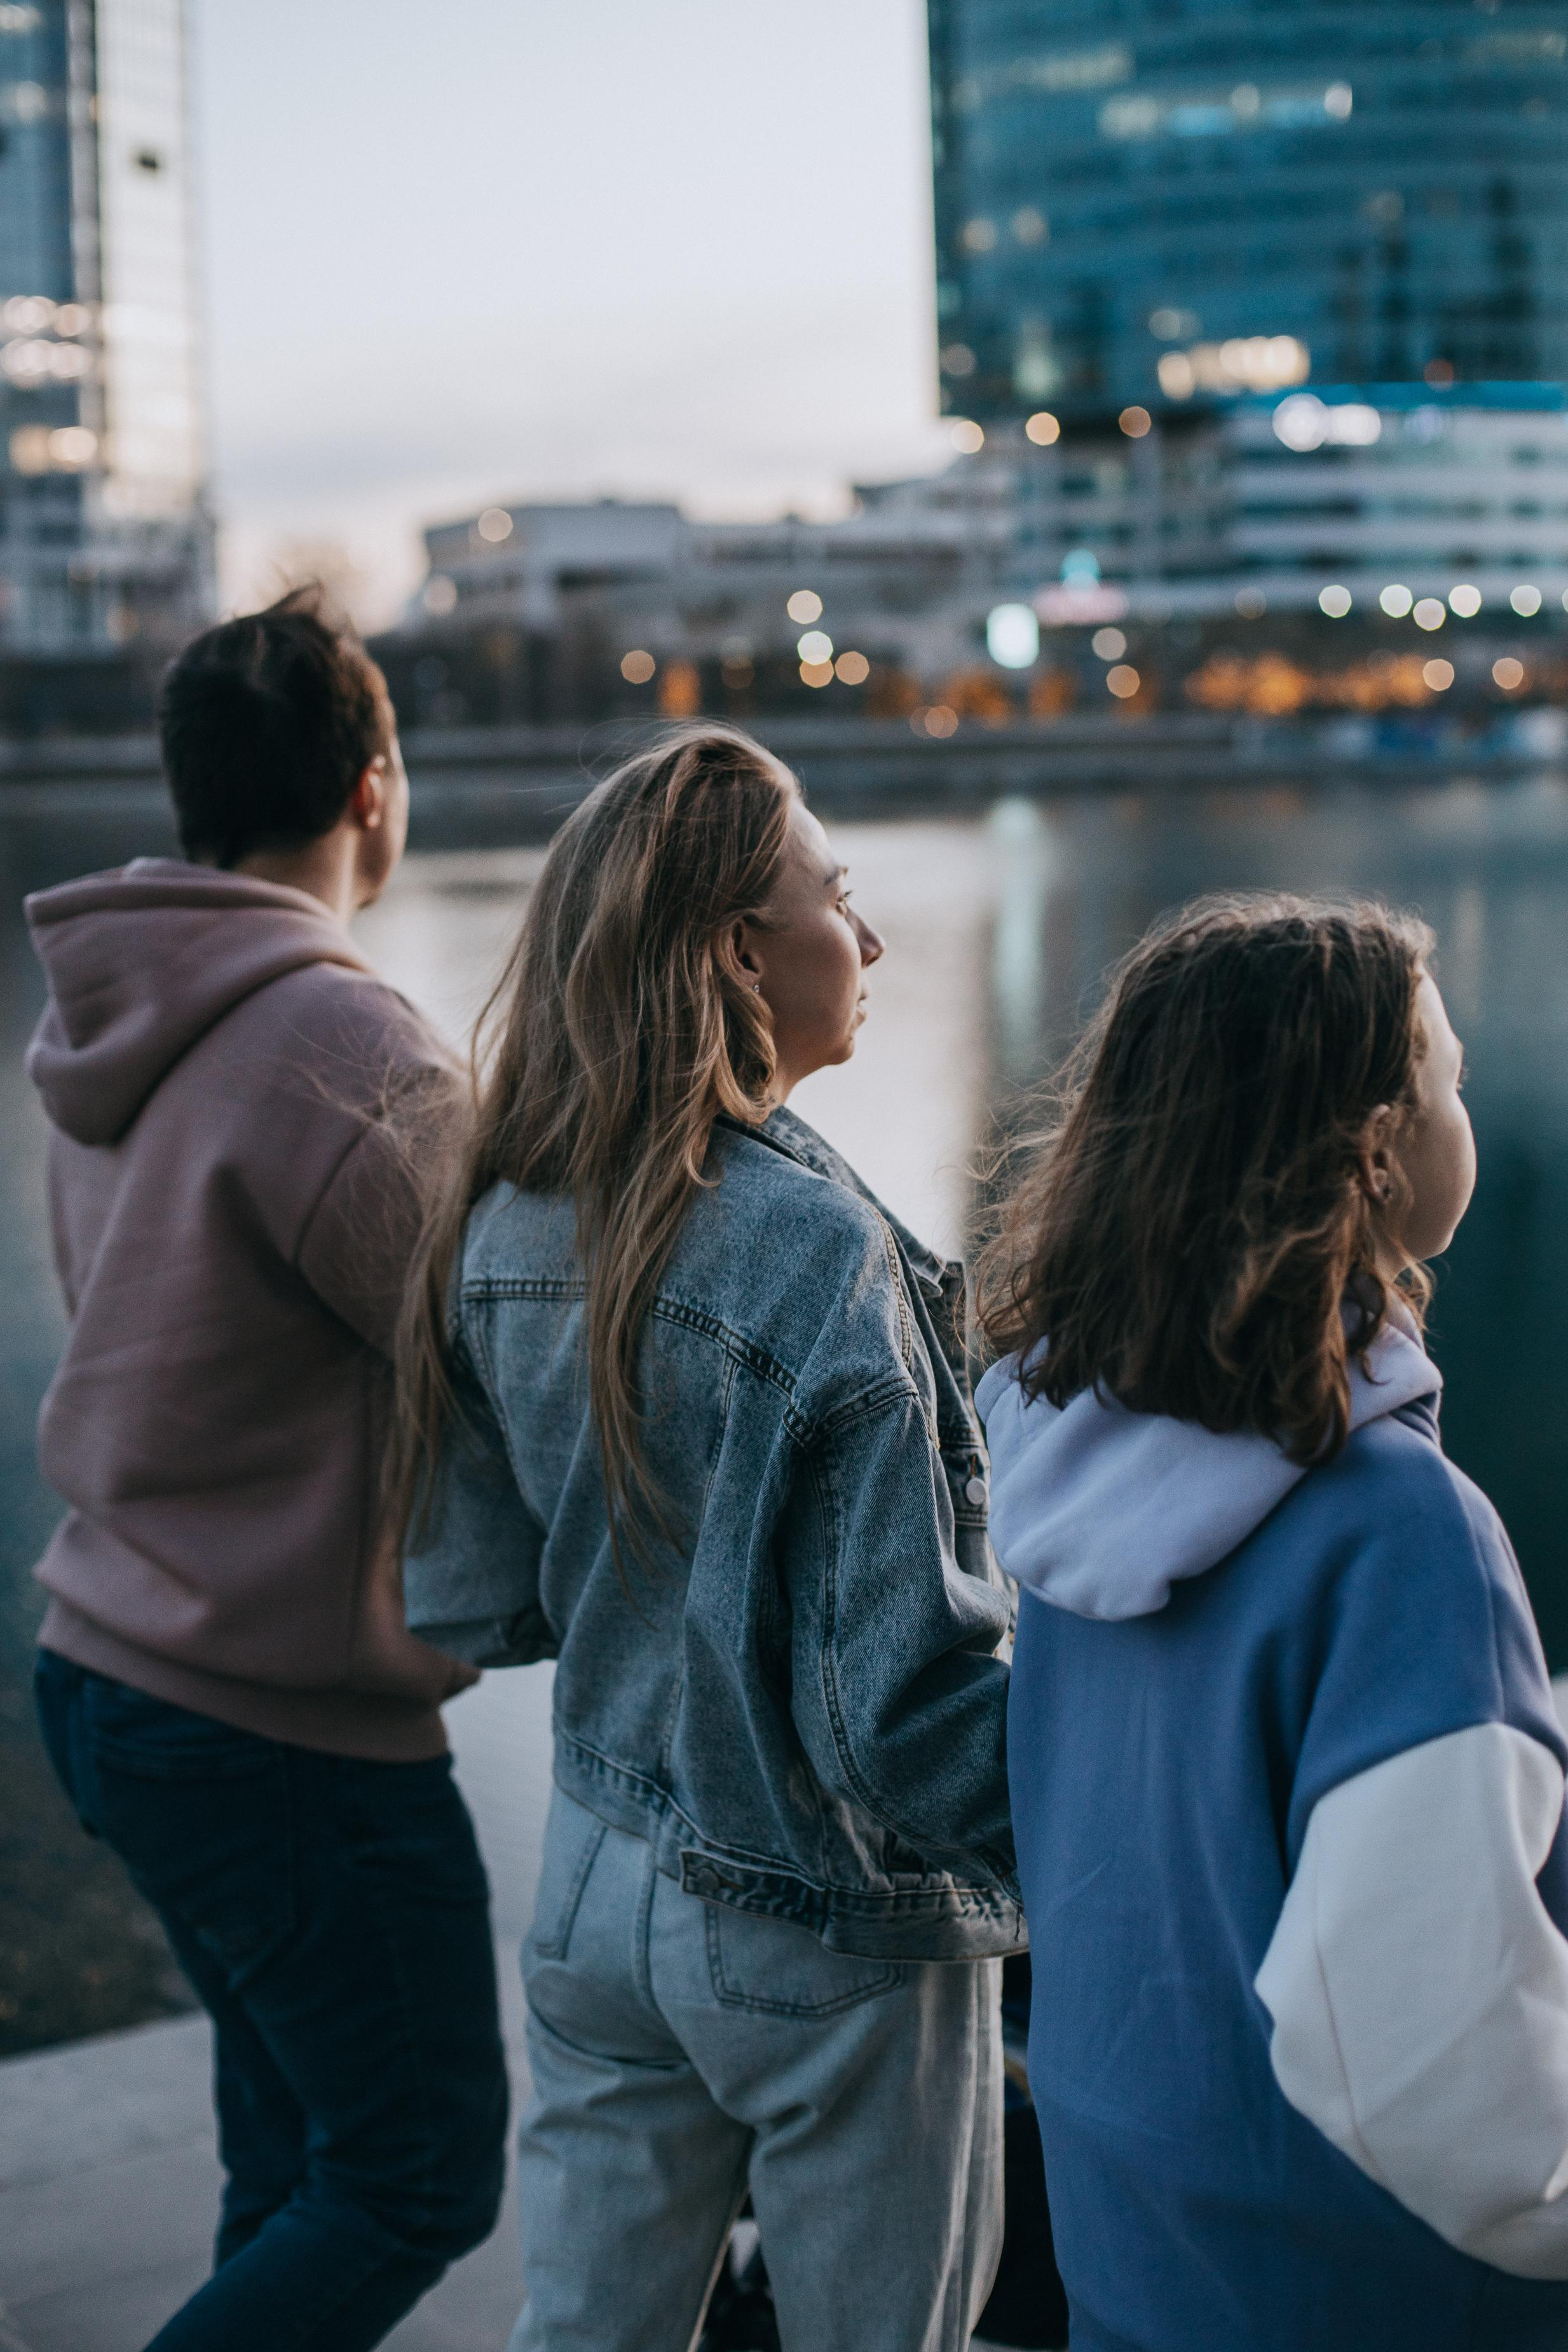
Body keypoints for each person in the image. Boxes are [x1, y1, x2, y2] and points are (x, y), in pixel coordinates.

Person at [396, 722, 1021, 2352]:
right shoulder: (819, 1252)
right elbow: (908, 1720)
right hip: (822, 1914)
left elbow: (475, 1601)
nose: (868, 938)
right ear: (740, 950)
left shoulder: (504, 1210)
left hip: (596, 1879)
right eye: (835, 896)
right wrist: (1114, 1845)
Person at [975, 893, 1568, 2352]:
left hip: (1143, 2257)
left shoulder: (1064, 1485)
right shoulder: (1397, 1536)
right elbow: (1433, 2063)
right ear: (1375, 1146)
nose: (1461, 1104)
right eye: (1446, 1079)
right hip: (1369, 2294)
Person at [27, 591, 507, 2352]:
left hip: (118, 1670)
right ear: (373, 786)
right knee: (417, 2170)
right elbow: (505, 1356)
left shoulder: (111, 1020)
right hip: (278, 1720)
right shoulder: (346, 1051)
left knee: (298, 2149)